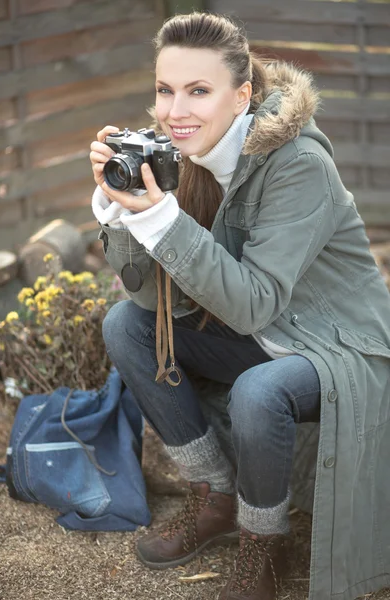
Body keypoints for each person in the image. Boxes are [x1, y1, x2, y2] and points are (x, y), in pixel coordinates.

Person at [89, 12, 390, 600]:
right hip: (267, 334)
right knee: (127, 324)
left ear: (242, 95)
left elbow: (253, 304)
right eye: (165, 90)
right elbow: (151, 297)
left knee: (260, 390)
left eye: (199, 91)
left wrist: (160, 219)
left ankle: (263, 539)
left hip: (339, 346)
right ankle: (215, 497)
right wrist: (121, 212)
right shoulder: (185, 160)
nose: (176, 112)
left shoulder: (300, 166)